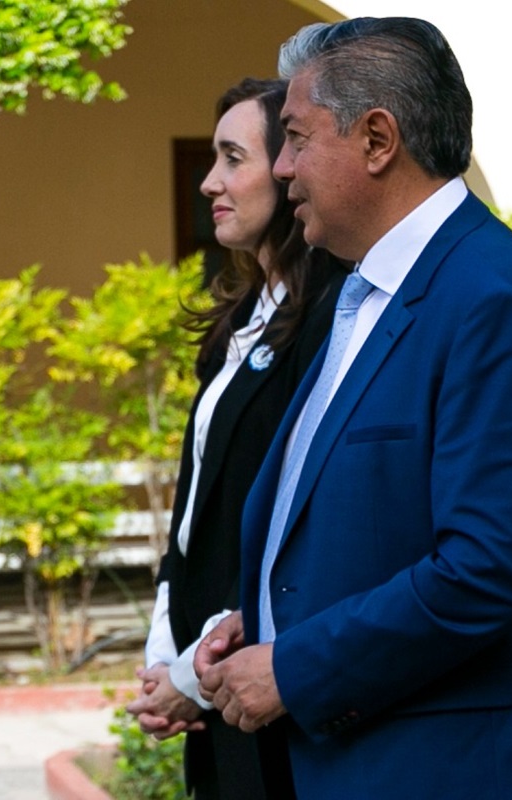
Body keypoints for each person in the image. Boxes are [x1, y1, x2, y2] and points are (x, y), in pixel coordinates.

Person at [195, 18, 512, 799]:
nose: (282, 170)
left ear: (378, 139)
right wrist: (276, 623)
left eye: (295, 137)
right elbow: (381, 521)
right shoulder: (368, 290)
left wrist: (297, 665)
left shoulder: (491, 303)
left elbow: (488, 570)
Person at [125, 77, 346, 799]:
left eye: (231, 158)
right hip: (205, 685)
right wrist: (165, 656)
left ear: (288, 174)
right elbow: (195, 514)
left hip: (258, 683)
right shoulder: (239, 322)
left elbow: (296, 528)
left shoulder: (327, 323)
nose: (209, 182)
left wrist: (195, 671)